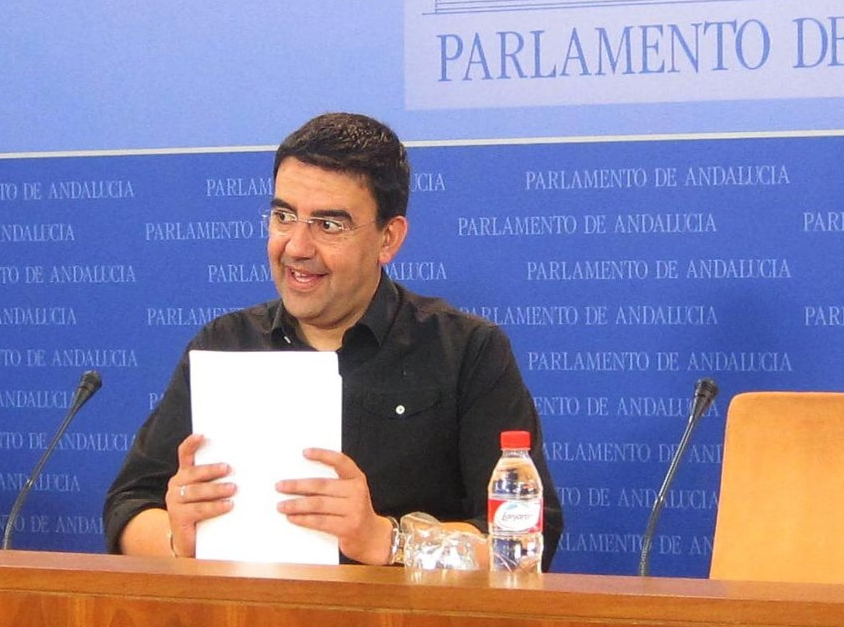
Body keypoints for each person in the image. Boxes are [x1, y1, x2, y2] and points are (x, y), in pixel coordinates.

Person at [103, 112, 563, 566]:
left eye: (328, 225)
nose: (296, 247)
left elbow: (524, 538)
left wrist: (389, 541)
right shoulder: (226, 343)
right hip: (247, 614)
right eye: (284, 216)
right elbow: (129, 507)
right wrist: (176, 541)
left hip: (402, 615)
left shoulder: (466, 350)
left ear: (388, 238)